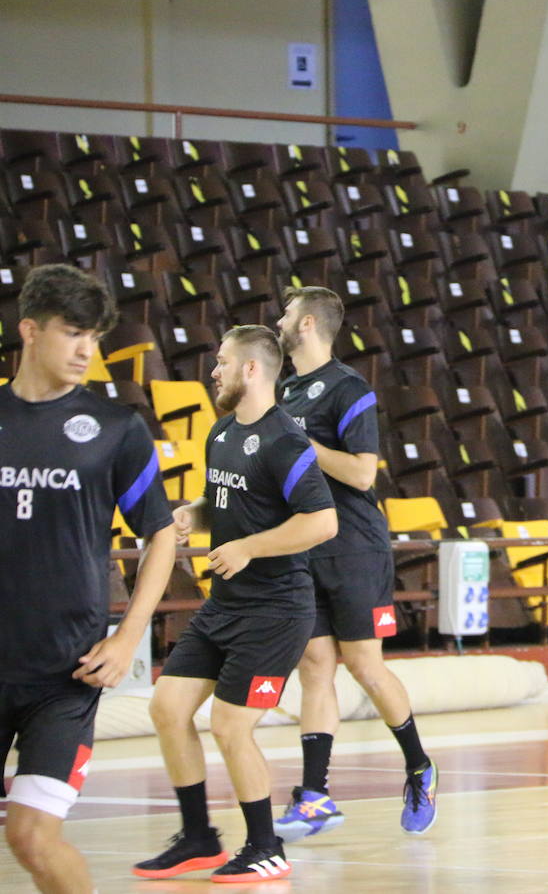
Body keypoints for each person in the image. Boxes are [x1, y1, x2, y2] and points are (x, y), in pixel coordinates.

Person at [134, 325, 337, 884]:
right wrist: (191, 515)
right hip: (223, 604)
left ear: (252, 369)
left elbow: (322, 521)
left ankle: (266, 846)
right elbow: (225, 498)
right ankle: (199, 837)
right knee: (167, 709)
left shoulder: (285, 439)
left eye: (222, 362)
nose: (214, 371)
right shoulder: (221, 433)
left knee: (230, 725)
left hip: (275, 610)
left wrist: (249, 547)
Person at [1, 265, 176, 894]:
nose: (86, 351)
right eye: (73, 333)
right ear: (29, 329)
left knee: (30, 837)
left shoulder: (114, 429)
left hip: (64, 676)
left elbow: (161, 534)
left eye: (94, 337)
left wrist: (128, 638)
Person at [274, 286, 437, 840]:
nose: (279, 319)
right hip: (305, 544)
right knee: (315, 667)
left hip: (355, 547)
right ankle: (315, 796)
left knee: (364, 665)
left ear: (311, 322)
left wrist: (299, 442)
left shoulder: (349, 388)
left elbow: (364, 473)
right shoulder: (284, 391)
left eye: (287, 313)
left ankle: (419, 765)